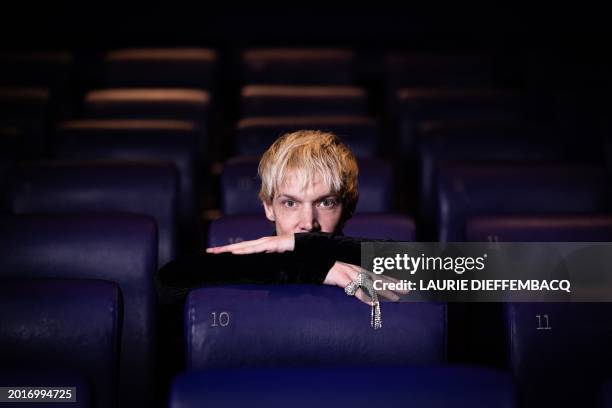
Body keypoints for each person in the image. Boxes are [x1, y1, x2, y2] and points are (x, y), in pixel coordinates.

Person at [155, 130, 405, 311]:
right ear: (268, 207)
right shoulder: (249, 266)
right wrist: (313, 268)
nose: (308, 223)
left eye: (325, 202)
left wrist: (305, 247)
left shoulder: (369, 260)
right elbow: (169, 280)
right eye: (290, 203)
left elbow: (437, 268)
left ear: (348, 207)